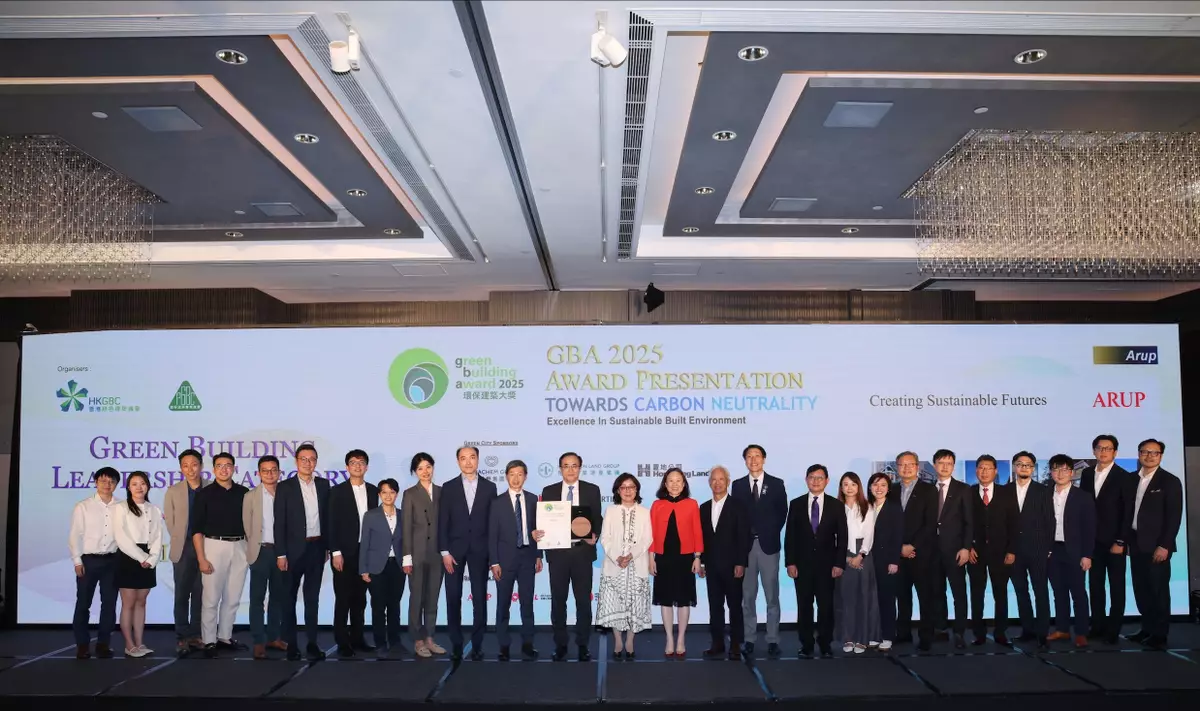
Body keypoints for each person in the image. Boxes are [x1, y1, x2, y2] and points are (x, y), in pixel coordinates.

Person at [541, 451, 603, 662]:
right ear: (560, 469)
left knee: (583, 601)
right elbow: (544, 520)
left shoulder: (592, 490)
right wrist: (539, 532)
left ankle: (583, 645)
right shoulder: (549, 491)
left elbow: (597, 518)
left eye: (574, 465)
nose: (570, 470)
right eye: (566, 466)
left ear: (580, 468)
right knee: (558, 601)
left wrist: (595, 534)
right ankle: (560, 644)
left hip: (582, 553)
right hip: (557, 554)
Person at [438, 445, 497, 661]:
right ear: (458, 461)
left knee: (479, 597)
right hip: (453, 551)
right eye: (463, 458)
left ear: (478, 460)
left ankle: (477, 643)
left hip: (480, 550)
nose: (468, 462)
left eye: (472, 457)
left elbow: (493, 523)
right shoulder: (448, 487)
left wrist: (493, 554)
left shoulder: (490, 487)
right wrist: (444, 551)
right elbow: (443, 521)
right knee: (453, 596)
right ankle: (456, 642)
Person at [274, 443, 332, 661]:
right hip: (292, 551)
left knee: (312, 598)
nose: (308, 463)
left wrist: (328, 547)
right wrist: (281, 554)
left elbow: (327, 519)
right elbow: (279, 522)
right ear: (296, 461)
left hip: (317, 548)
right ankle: (291, 644)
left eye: (312, 459)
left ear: (316, 462)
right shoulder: (285, 487)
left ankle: (312, 643)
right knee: (288, 599)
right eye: (304, 459)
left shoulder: (324, 485)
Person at [785, 464, 848, 658]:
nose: (816, 481)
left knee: (826, 607)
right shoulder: (796, 504)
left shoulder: (836, 505)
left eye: (820, 477)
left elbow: (843, 537)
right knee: (804, 606)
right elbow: (790, 536)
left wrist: (839, 563)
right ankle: (806, 645)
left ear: (827, 481)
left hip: (827, 566)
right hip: (802, 566)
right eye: (812, 477)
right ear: (806, 480)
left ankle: (825, 643)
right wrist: (790, 562)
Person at [730, 444, 787, 657]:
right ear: (744, 460)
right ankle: (749, 638)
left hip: (768, 546)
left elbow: (782, 513)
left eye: (757, 456)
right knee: (748, 596)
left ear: (764, 459)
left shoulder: (776, 483)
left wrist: (768, 532)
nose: (753, 460)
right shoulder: (737, 485)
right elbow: (736, 516)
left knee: (772, 596)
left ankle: (772, 639)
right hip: (745, 548)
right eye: (749, 456)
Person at [192, 452, 250, 658]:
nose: (224, 469)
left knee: (233, 596)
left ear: (234, 468)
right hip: (213, 545)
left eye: (228, 465)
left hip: (240, 545)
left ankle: (224, 636)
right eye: (219, 465)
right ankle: (209, 640)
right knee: (211, 597)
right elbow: (196, 529)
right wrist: (201, 558)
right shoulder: (204, 494)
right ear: (214, 469)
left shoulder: (244, 493)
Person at [1126, 439, 1182, 649]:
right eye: (1145, 452)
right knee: (1141, 589)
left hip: (1157, 545)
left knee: (1158, 590)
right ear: (1139, 454)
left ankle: (1160, 634)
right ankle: (1147, 628)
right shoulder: (1131, 479)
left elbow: (1174, 517)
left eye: (1154, 452)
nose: (1149, 456)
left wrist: (1165, 545)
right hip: (1135, 543)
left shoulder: (1170, 481)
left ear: (1161, 456)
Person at [1079, 434, 1134, 644]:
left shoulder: (1124, 476)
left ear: (1115, 452)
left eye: (1108, 448)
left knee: (1117, 587)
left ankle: (1113, 630)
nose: (1103, 452)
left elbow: (1128, 512)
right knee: (1095, 586)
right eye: (1099, 448)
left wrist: (1121, 541)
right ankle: (1098, 626)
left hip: (1114, 543)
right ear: (1093, 451)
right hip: (1092, 542)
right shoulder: (1086, 474)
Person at [488, 460, 545, 661]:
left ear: (525, 476)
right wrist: (494, 562)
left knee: (527, 603)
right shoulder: (497, 502)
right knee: (503, 604)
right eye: (512, 474)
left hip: (528, 557)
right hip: (504, 561)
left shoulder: (533, 500)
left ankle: (528, 644)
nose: (516, 478)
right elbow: (492, 535)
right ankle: (503, 645)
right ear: (506, 476)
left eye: (520, 474)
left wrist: (538, 555)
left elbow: (538, 530)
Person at [596, 472, 654, 660]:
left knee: (634, 606)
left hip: (637, 564)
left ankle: (630, 641)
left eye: (631, 487)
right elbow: (605, 538)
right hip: (615, 566)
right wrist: (617, 557)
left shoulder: (645, 512)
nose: (628, 491)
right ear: (618, 491)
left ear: (637, 490)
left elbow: (647, 539)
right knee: (615, 604)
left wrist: (630, 556)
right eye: (624, 487)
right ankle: (618, 641)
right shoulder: (610, 511)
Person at [69, 466, 123, 659]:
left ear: (116, 484)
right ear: (96, 482)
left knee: (109, 604)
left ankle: (103, 644)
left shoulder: (122, 506)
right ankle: (82, 645)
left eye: (112, 481)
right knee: (83, 603)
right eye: (103, 480)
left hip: (112, 561)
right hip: (88, 561)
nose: (107, 484)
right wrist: (77, 561)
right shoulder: (83, 506)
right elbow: (74, 536)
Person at [329, 449, 378, 657]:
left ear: (366, 467)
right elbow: (331, 523)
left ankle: (358, 639)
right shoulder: (337, 491)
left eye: (361, 462)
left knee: (360, 599)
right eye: (353, 462)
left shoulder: (374, 491)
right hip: (343, 553)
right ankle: (342, 641)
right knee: (343, 598)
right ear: (347, 467)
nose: (357, 466)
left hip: (365, 552)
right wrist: (335, 552)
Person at [650, 467, 704, 658]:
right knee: (665, 600)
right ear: (665, 484)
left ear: (684, 484)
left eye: (678, 481)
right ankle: (669, 639)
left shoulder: (692, 504)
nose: (674, 484)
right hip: (663, 557)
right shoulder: (657, 505)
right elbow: (651, 533)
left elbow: (697, 531)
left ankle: (681, 639)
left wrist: (698, 557)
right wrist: (651, 558)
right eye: (671, 481)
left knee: (683, 600)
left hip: (685, 558)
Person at [700, 465, 750, 660]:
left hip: (733, 566)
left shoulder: (738, 506)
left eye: (721, 479)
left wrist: (741, 563)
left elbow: (744, 537)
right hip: (712, 566)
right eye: (714, 479)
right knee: (715, 606)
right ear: (709, 483)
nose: (717, 483)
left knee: (735, 606)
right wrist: (701, 562)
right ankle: (717, 643)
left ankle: (736, 644)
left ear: (728, 482)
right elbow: (702, 539)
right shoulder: (703, 508)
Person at [1045, 454, 1095, 647]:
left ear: (1072, 473)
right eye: (1056, 469)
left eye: (1064, 469)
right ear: (1051, 472)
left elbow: (1090, 528)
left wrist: (1087, 555)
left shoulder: (1083, 497)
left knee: (1078, 593)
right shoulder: (1044, 495)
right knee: (1058, 592)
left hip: (1075, 551)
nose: (1060, 473)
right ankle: (1062, 629)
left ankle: (1081, 632)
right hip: (1052, 551)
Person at [967, 455, 1017, 646]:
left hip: (1001, 552)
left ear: (995, 471)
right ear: (976, 471)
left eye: (988, 468)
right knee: (976, 593)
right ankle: (978, 633)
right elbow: (962, 523)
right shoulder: (968, 493)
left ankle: (1001, 632)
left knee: (1000, 593)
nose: (984, 471)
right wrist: (968, 546)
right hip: (975, 553)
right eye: (981, 468)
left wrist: (1011, 550)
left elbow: (1014, 523)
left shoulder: (1007, 493)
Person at [163, 448, 207, 656]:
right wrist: (182, 538)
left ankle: (196, 635)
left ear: (201, 466)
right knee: (182, 593)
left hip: (207, 547)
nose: (190, 469)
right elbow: (170, 522)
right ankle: (182, 636)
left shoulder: (211, 487)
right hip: (183, 547)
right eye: (186, 466)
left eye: (194, 465)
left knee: (201, 593)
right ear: (181, 468)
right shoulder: (173, 491)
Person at [891, 451, 936, 651]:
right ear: (897, 467)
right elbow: (887, 522)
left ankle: (926, 636)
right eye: (902, 464)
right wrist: (899, 547)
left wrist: (912, 546)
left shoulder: (929, 490)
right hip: (898, 554)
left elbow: (930, 523)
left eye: (910, 464)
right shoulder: (891, 490)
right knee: (902, 596)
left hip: (922, 553)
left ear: (917, 467)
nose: (906, 468)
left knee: (925, 597)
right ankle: (903, 633)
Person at [113, 471, 161, 658]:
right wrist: (142, 557)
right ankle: (129, 644)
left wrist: (152, 558)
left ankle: (140, 643)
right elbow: (121, 537)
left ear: (148, 486)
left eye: (142, 483)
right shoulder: (121, 507)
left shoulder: (154, 509)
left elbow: (157, 536)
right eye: (134, 484)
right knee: (129, 603)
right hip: (128, 557)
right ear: (128, 487)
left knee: (142, 602)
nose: (139, 487)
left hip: (148, 558)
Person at [242, 455, 286, 659]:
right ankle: (258, 641)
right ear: (259, 473)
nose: (270, 474)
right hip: (260, 551)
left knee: (278, 597)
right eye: (265, 470)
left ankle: (273, 637)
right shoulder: (250, 496)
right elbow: (247, 526)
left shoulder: (286, 494)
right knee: (257, 599)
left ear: (279, 472)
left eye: (273, 470)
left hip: (282, 552)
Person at [402, 452, 445, 658]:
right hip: (417, 554)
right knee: (416, 598)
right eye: (420, 468)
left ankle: (430, 638)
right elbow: (406, 527)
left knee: (432, 598)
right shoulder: (410, 494)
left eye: (428, 467)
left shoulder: (442, 492)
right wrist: (407, 557)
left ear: (433, 468)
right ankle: (418, 640)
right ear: (415, 472)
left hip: (437, 554)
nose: (425, 471)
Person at [1010, 451, 1054, 651]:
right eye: (1020, 464)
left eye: (1028, 465)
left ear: (1033, 468)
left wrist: (1048, 548)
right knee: (1021, 592)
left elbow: (1050, 521)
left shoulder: (1043, 490)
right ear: (1014, 466)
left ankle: (1042, 634)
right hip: (1013, 551)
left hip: (1038, 550)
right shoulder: (1005, 490)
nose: (1024, 468)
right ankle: (1027, 630)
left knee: (1040, 592)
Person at [929, 449, 972, 649]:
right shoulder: (928, 489)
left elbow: (969, 522)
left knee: (959, 593)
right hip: (931, 550)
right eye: (941, 462)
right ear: (934, 465)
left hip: (955, 550)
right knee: (936, 591)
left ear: (954, 466)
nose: (945, 467)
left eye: (949, 463)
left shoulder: (963, 489)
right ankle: (941, 629)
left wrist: (966, 548)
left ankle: (959, 632)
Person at [834, 472, 879, 654]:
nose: (849, 488)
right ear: (841, 487)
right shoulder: (835, 507)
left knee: (863, 597)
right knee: (846, 598)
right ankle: (848, 638)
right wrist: (843, 558)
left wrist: (861, 555)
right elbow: (832, 535)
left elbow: (869, 534)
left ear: (858, 486)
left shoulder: (867, 507)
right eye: (845, 484)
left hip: (863, 554)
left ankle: (862, 638)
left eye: (853, 484)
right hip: (842, 554)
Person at [360, 478, 405, 658]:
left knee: (394, 605)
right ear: (379, 494)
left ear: (396, 494)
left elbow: (407, 542)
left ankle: (395, 641)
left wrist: (407, 563)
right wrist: (363, 569)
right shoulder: (371, 515)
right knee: (378, 606)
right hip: (376, 567)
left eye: (392, 492)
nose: (388, 496)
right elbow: (365, 543)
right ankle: (380, 643)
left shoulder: (403, 515)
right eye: (384, 492)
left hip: (397, 566)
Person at [867, 473, 903, 651]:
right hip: (868, 560)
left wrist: (894, 561)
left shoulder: (894, 508)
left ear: (888, 488)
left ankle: (888, 635)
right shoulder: (866, 507)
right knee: (871, 600)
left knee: (886, 599)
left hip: (887, 560)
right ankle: (874, 635)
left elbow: (898, 536)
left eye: (883, 485)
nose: (879, 488)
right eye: (875, 485)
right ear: (870, 487)